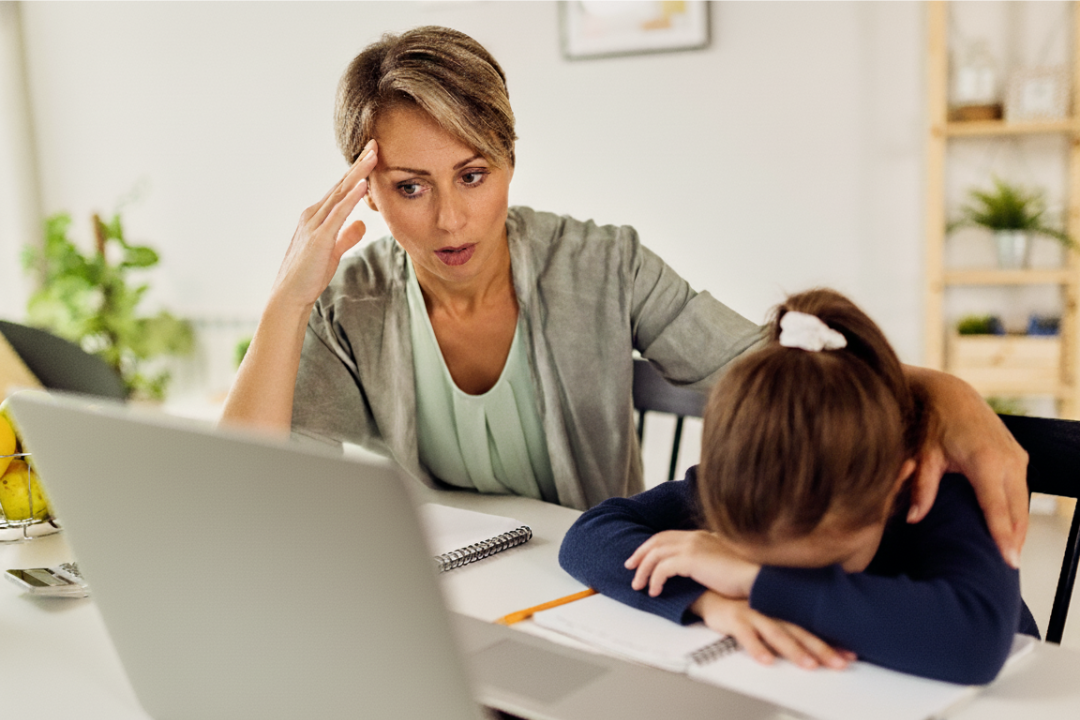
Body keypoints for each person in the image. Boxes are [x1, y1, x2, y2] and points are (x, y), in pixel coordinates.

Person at [221, 26, 1029, 566]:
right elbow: (246, 489)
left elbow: (771, 371)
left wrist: (945, 390)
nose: (450, 217)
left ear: (509, 160)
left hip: (594, 578)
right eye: (409, 186)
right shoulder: (350, 300)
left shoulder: (602, 263)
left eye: (473, 174)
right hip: (446, 595)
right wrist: (287, 302)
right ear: (367, 190)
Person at [559, 289, 1039, 686]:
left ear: (895, 483)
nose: (784, 580)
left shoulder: (942, 485)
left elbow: (974, 641)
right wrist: (708, 600)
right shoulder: (757, 476)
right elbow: (590, 535)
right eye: (755, 558)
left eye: (817, 570)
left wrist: (751, 579)